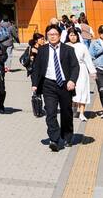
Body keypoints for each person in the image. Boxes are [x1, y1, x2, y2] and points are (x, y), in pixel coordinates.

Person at [32, 23, 81, 151]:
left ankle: (68, 136)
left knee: (66, 112)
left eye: (55, 34)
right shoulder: (42, 50)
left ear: (59, 35)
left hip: (65, 85)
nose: (52, 37)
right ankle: (54, 139)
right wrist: (35, 84)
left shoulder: (68, 50)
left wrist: (72, 80)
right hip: (48, 85)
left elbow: (75, 67)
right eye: (49, 35)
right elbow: (36, 68)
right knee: (50, 112)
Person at [65, 25, 96, 123]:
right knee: (72, 91)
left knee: (82, 91)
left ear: (78, 36)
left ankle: (82, 113)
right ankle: (73, 110)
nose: (73, 37)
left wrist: (92, 72)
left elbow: (88, 60)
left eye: (74, 35)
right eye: (71, 35)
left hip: (82, 71)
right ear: (68, 36)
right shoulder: (65, 46)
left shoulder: (82, 46)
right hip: (69, 71)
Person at [89, 26, 103, 113]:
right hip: (99, 69)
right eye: (102, 33)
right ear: (99, 33)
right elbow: (91, 55)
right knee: (102, 90)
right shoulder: (94, 43)